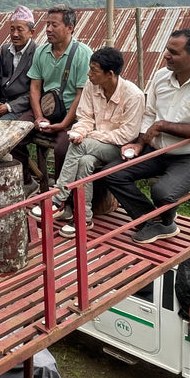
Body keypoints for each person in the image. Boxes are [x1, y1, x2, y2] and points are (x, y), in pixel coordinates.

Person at [102, 28, 190, 244]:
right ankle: (154, 223)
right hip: (158, 150)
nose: (166, 55)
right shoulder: (161, 77)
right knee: (111, 174)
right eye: (167, 49)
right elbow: (149, 114)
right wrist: (141, 143)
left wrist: (162, 126)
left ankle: (162, 219)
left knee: (162, 192)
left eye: (174, 52)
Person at [34, 47, 144, 238]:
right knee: (84, 161)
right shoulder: (91, 86)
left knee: (81, 145)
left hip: (119, 149)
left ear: (110, 74)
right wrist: (79, 131)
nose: (89, 74)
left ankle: (59, 198)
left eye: (94, 70)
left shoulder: (133, 96)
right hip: (95, 144)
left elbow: (126, 135)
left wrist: (88, 136)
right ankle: (84, 218)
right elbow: (84, 117)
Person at [13, 5, 92, 188]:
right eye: (47, 24)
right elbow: (35, 87)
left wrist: (64, 124)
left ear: (70, 28)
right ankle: (27, 181)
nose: (48, 29)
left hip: (72, 113)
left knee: (63, 149)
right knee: (15, 135)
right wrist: (39, 116)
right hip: (46, 108)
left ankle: (60, 194)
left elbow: (81, 95)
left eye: (54, 25)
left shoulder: (83, 54)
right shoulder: (41, 52)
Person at [0, 5, 37, 121]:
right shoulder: (6, 50)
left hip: (20, 107)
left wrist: (9, 107)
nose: (15, 34)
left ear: (31, 32)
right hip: (0, 102)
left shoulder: (37, 53)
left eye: (20, 30)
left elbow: (35, 90)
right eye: (12, 29)